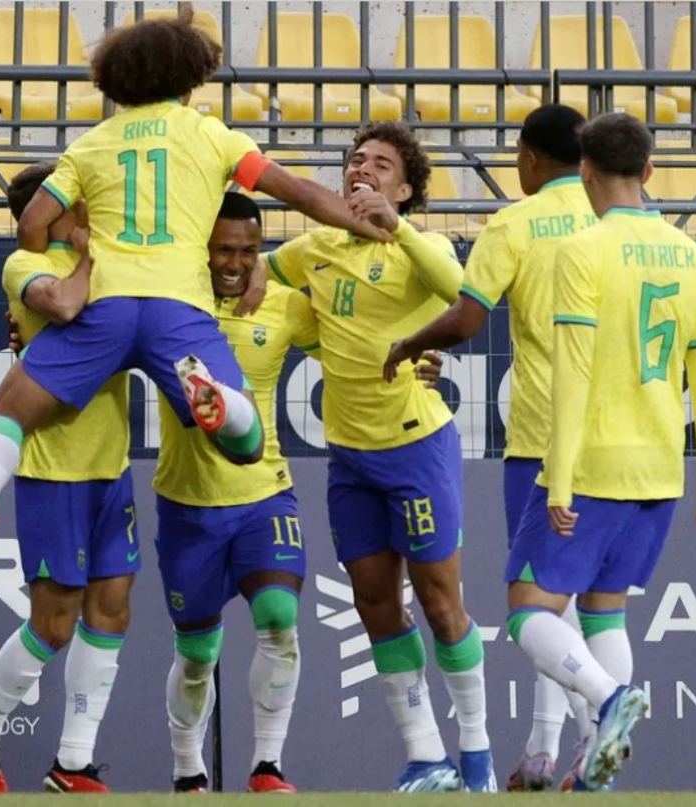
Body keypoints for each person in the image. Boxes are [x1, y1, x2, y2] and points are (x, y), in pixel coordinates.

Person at [0, 15, 391, 568]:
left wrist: (54, 264)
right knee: (245, 441)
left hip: (104, 306)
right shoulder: (210, 134)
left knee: (8, 410)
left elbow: (32, 220)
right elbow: (294, 190)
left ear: (119, 80)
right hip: (176, 308)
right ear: (188, 80)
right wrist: (361, 222)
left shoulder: (90, 146)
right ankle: (216, 400)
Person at [158, 192, 444, 794]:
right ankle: (188, 769)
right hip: (187, 501)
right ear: (200, 251)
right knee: (197, 654)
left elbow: (352, 354)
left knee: (279, 618)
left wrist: (421, 356)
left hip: (266, 493)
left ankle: (267, 765)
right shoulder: (167, 307)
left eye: (247, 250)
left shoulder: (287, 305)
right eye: (222, 251)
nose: (234, 263)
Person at [504, 112, 696, 792]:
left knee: (526, 609)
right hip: (659, 467)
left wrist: (559, 478)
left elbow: (571, 374)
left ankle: (608, 702)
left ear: (584, 173)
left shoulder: (581, 250)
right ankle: (595, 760)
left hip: (595, 461)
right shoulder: (691, 257)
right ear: (650, 173)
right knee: (604, 608)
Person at [261, 122, 494, 793]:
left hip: (416, 447)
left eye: (381, 164)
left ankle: (476, 754)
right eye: (355, 160)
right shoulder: (315, 248)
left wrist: (398, 228)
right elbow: (255, 282)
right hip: (349, 458)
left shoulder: (423, 246)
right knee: (372, 601)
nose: (362, 169)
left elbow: (461, 290)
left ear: (406, 187)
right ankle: (427, 755)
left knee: (440, 600)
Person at [381, 104, 600, 792]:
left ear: (530, 159)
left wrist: (415, 341)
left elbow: (468, 316)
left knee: (536, 602)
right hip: (620, 433)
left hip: (542, 433)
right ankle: (543, 747)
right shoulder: (616, 217)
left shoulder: (514, 222)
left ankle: (593, 728)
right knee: (589, 603)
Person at [0, 164, 135, 794]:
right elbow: (64, 306)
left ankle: (74, 762)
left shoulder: (102, 257)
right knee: (53, 626)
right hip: (53, 470)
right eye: (71, 200)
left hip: (112, 466)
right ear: (44, 213)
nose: (84, 205)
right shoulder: (22, 266)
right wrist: (90, 261)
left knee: (111, 611)